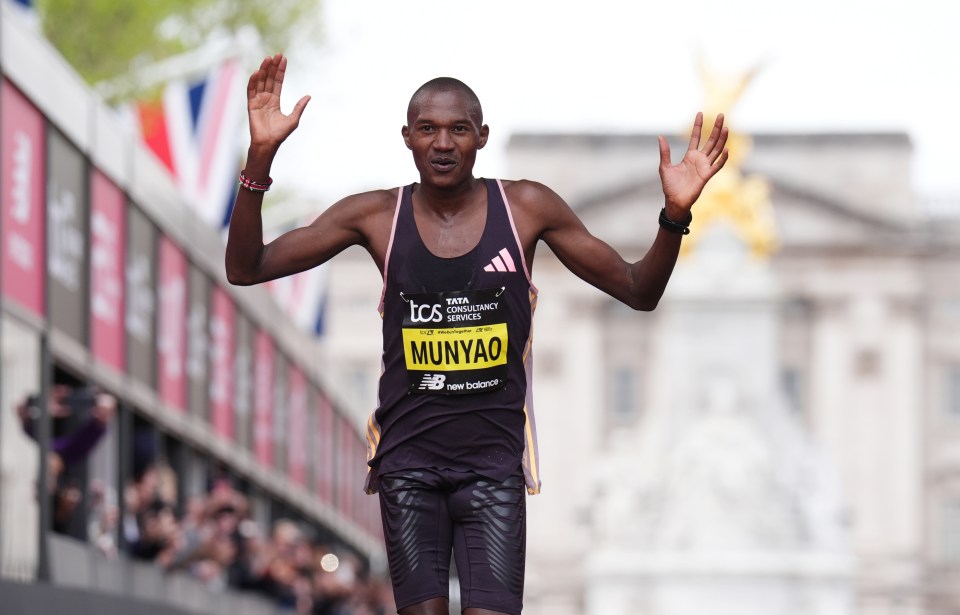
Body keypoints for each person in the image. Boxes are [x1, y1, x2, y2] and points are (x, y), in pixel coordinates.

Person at [226, 53, 729, 615]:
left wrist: (674, 216)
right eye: (429, 129)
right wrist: (260, 160)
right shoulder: (372, 216)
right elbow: (247, 268)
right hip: (408, 467)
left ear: (482, 136)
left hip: (493, 469)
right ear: (408, 138)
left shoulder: (526, 208)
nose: (444, 143)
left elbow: (639, 291)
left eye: (459, 129)